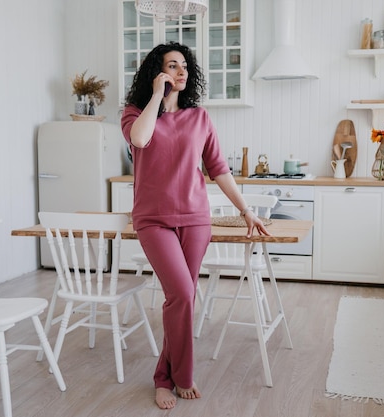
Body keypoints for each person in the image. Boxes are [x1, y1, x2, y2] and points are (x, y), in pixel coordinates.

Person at [120, 42, 270, 410]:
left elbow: (219, 169)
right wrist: (158, 96)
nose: (181, 71)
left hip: (195, 220)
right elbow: (139, 139)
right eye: (172, 66)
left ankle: (162, 377)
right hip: (153, 220)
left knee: (180, 298)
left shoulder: (200, 118)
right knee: (182, 295)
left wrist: (246, 210)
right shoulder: (135, 113)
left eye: (185, 66)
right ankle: (181, 376)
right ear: (156, 71)